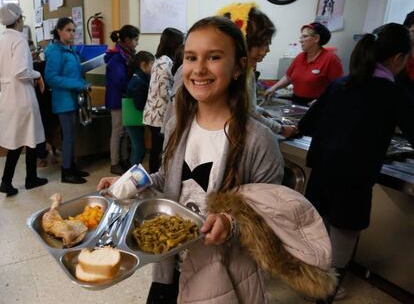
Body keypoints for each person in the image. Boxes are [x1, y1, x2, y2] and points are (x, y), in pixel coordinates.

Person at [97, 16, 338, 303]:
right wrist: (130, 182)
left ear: (238, 67)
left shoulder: (257, 140)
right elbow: (168, 175)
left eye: (213, 57)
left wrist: (230, 223)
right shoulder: (177, 123)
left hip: (223, 273)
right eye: (190, 57)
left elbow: (271, 217)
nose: (198, 69)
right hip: (170, 263)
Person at [297, 23, 414, 304]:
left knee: (320, 231)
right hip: (353, 179)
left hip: (322, 172)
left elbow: (308, 123)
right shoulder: (392, 93)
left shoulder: (340, 84)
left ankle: (311, 283)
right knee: (343, 238)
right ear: (398, 58)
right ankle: (325, 293)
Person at [217, 2, 297, 137]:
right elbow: (248, 114)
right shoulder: (232, 75)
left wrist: (259, 109)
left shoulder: (246, 71)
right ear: (243, 43)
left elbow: (248, 108)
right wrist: (281, 129)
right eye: (263, 44)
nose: (267, 50)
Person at [0, 3, 48, 196]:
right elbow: (21, 71)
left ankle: (17, 179)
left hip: (8, 96)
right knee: (28, 137)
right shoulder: (19, 40)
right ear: (19, 20)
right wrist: (37, 74)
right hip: (21, 96)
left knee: (20, 138)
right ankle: (26, 179)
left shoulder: (2, 40)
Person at [44, 17, 90, 184]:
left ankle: (71, 166)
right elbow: (51, 78)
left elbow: (73, 74)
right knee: (68, 137)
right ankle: (66, 172)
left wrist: (83, 83)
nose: (72, 33)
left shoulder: (69, 50)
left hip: (73, 99)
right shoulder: (56, 52)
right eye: (68, 30)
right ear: (59, 31)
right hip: (63, 101)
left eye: (73, 30)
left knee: (71, 136)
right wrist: (77, 84)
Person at [265, 22, 343, 106]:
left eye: (305, 36)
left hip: (317, 104)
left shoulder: (331, 59)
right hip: (296, 101)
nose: (300, 40)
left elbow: (338, 88)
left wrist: (322, 101)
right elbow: (288, 77)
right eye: (301, 36)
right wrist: (273, 88)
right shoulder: (299, 57)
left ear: (316, 38)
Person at [143, 27, 184, 173]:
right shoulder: (165, 62)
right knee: (157, 148)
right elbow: (164, 91)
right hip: (158, 115)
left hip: (154, 112)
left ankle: (154, 174)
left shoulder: (160, 60)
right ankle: (154, 176)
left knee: (157, 147)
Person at [105, 24, 140, 175]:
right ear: (126, 40)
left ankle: (124, 159)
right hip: (117, 100)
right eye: (135, 40)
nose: (137, 43)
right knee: (117, 131)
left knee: (125, 131)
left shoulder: (127, 55)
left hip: (124, 99)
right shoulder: (117, 59)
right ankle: (114, 162)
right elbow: (120, 81)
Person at [124, 51, 155, 166]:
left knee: (138, 147)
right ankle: (133, 173)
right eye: (152, 64)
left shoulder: (140, 78)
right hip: (133, 120)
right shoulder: (138, 82)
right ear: (143, 65)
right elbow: (139, 105)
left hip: (135, 121)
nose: (154, 67)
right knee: (139, 149)